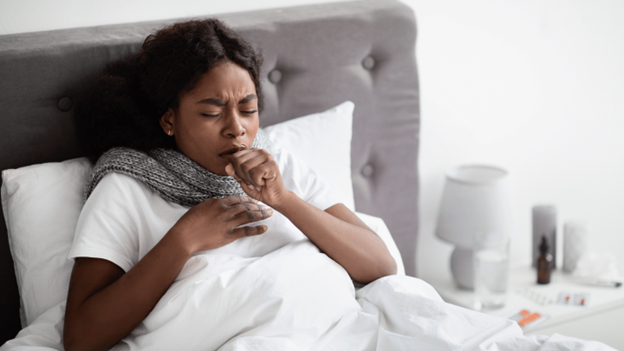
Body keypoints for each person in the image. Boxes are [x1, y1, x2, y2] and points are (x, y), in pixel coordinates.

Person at [63, 19, 396, 351]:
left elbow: (380, 265)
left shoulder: (279, 164)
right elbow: (81, 338)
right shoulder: (125, 188)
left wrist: (283, 200)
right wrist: (183, 239)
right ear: (170, 120)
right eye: (211, 113)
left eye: (248, 109)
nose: (236, 129)